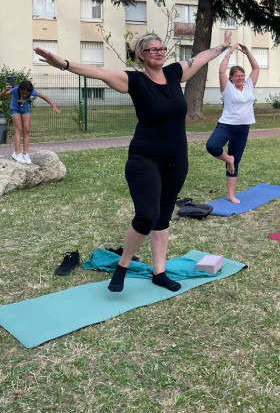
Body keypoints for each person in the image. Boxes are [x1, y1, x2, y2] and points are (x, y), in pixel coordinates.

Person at [34, 30, 232, 292]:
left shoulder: (174, 73)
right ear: (141, 55)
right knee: (146, 216)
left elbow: (200, 57)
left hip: (177, 159)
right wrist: (64, 64)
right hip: (144, 158)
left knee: (162, 217)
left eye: (162, 48)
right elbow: (99, 73)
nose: (160, 52)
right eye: (153, 49)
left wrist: (223, 46)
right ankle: (123, 265)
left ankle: (159, 272)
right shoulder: (134, 81)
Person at [206, 43, 259, 203]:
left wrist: (248, 52)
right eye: (237, 76)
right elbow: (221, 70)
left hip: (243, 129)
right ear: (231, 78)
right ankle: (228, 159)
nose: (240, 78)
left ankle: (230, 194)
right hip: (226, 126)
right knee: (212, 146)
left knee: (237, 161)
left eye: (242, 75)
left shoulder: (249, 86)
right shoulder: (227, 88)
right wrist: (230, 50)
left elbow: (256, 69)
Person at [0, 79, 61, 164]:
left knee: (27, 130)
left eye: (27, 93)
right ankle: (17, 153)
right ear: (19, 90)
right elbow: (1, 96)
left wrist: (53, 106)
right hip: (15, 110)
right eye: (23, 93)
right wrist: (5, 90)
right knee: (19, 129)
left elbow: (44, 97)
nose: (25, 95)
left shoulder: (32, 92)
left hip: (25, 111)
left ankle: (25, 153)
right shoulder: (14, 90)